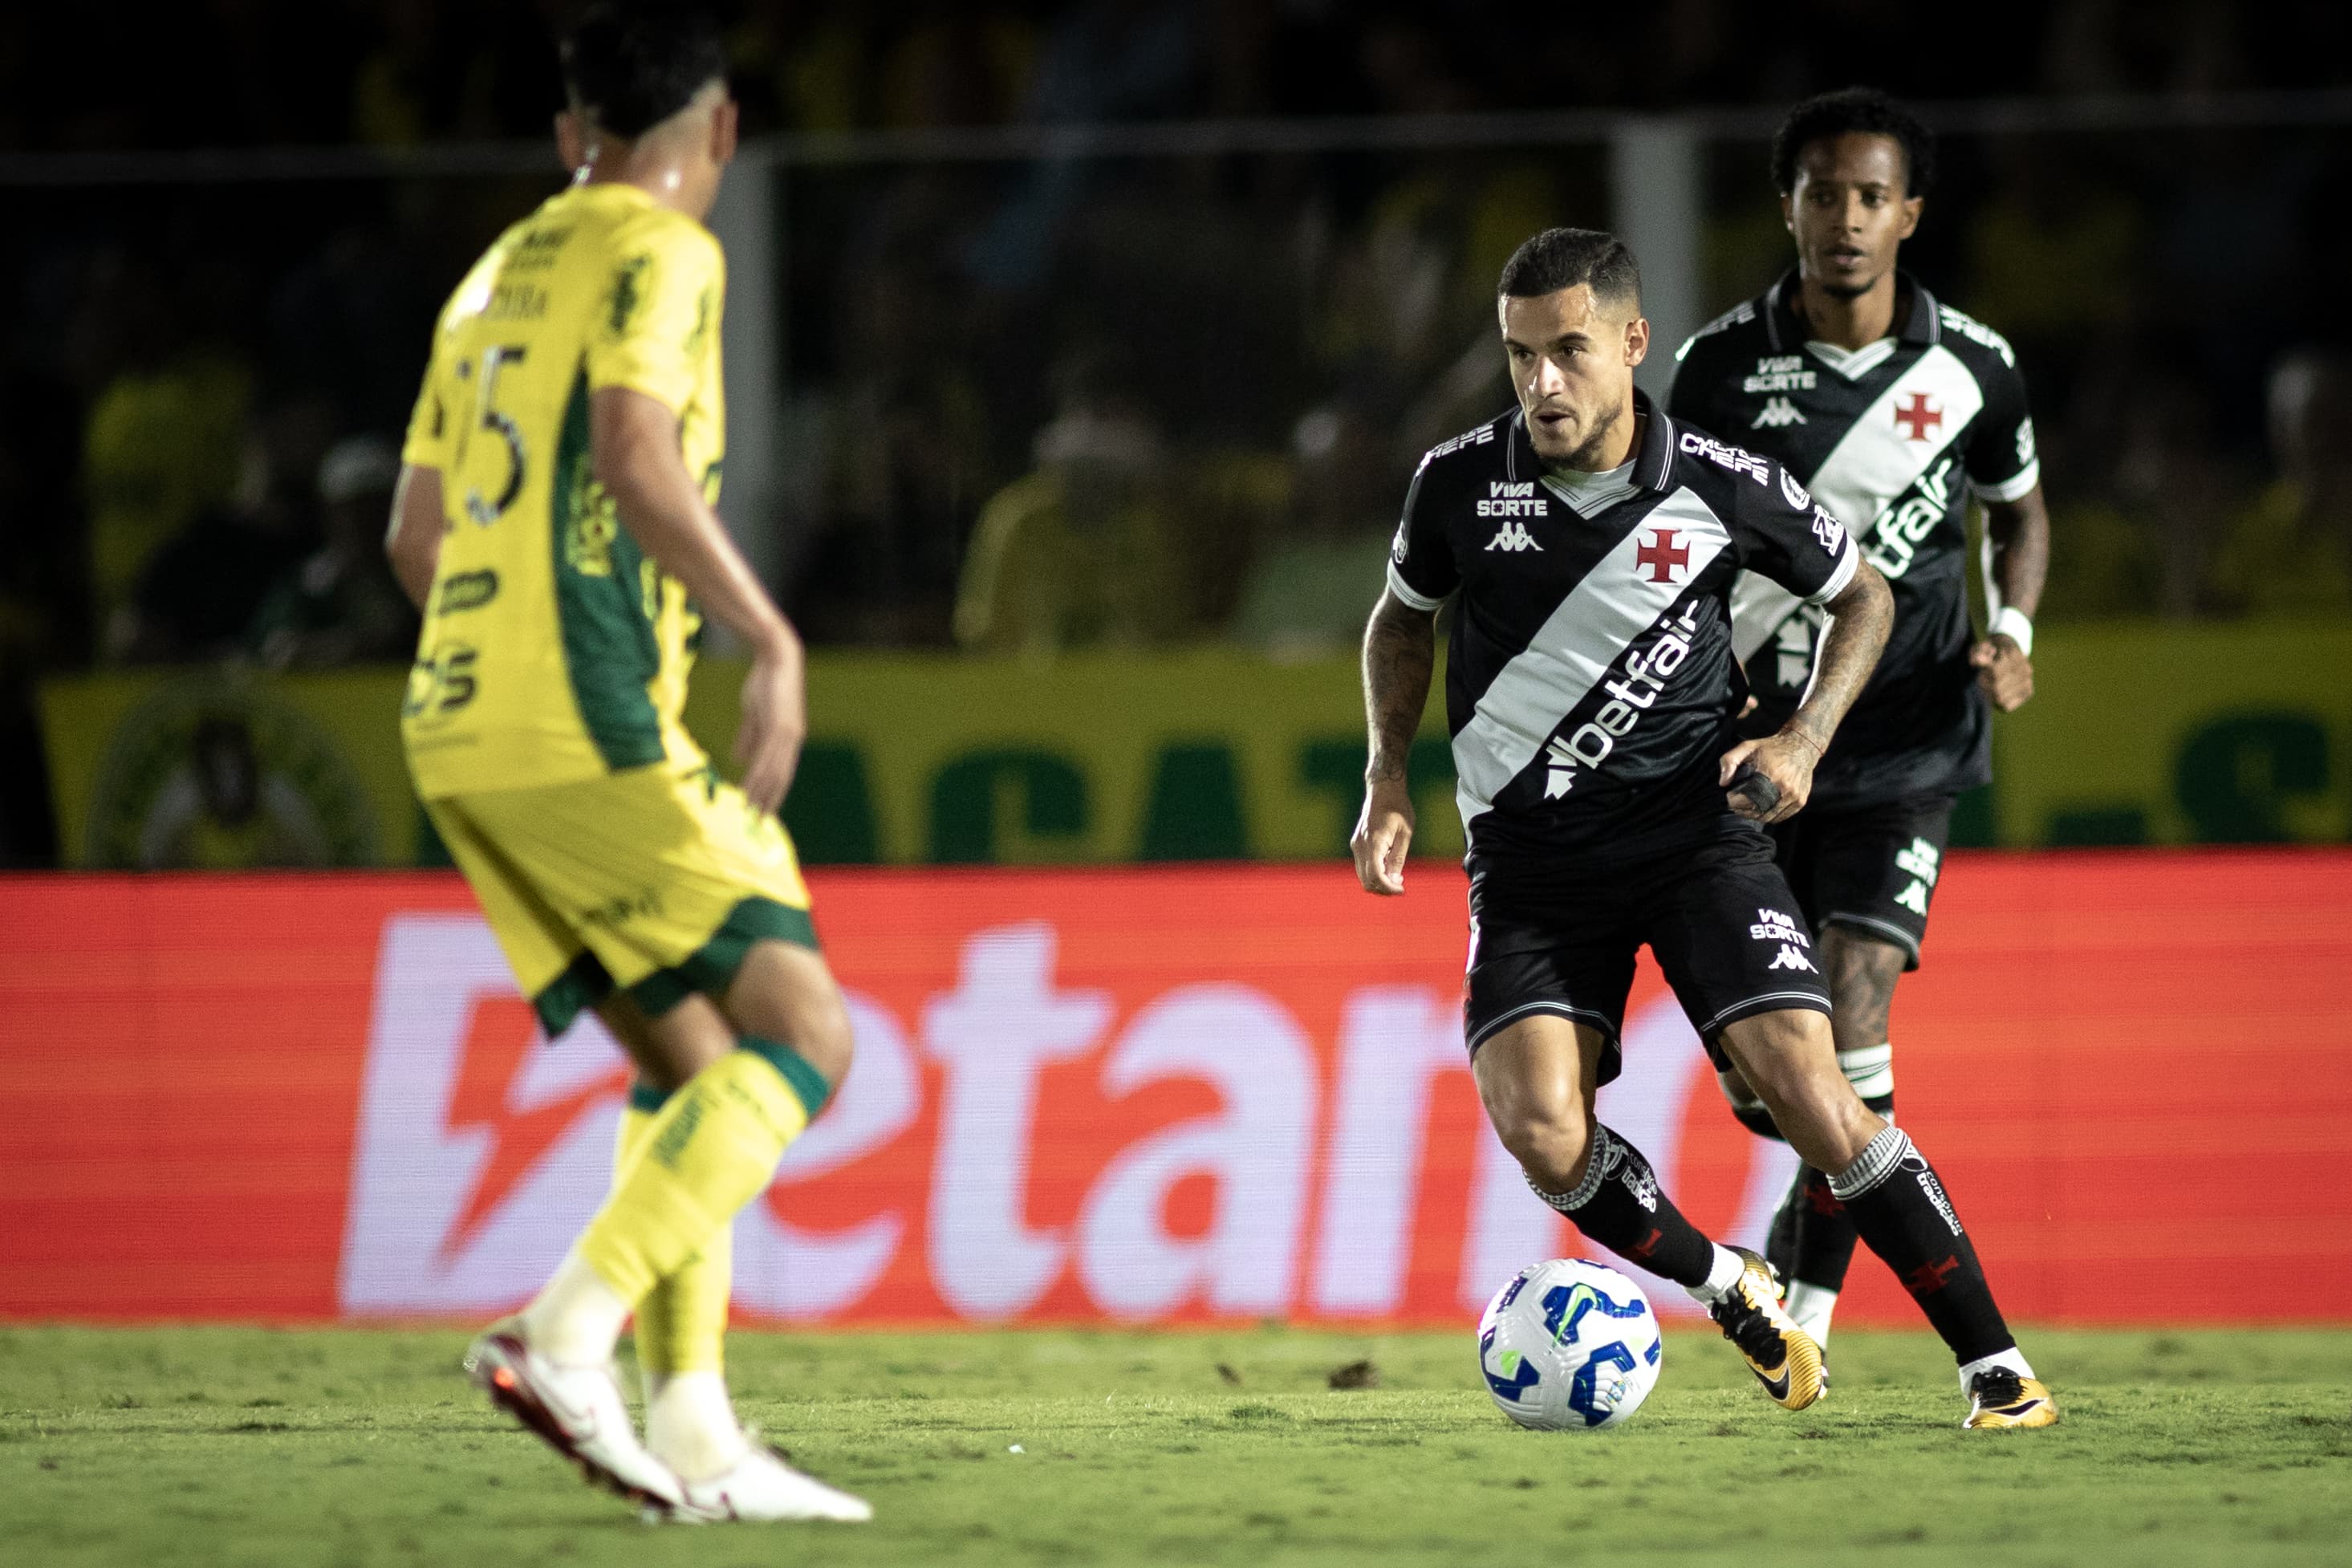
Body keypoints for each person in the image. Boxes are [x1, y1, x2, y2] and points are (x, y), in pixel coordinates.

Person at [1352, 225, 2056, 1429]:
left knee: (1812, 1090)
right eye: (1521, 356)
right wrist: (1385, 775)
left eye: (1570, 350)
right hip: (1530, 869)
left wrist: (1803, 741)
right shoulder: (1458, 482)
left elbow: (1865, 597)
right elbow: (1401, 620)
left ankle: (1995, 1368)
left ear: (1632, 342)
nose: (1544, 383)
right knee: (1540, 1133)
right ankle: (1725, 1280)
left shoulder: (1721, 483)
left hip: (1693, 842)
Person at [384, 3, 868, 1522]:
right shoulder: (666, 250)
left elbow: (413, 536)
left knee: (696, 1061)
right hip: (580, 720)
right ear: (718, 132)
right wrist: (769, 640)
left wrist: (500, 633)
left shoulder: (485, 280)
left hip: (455, 719)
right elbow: (633, 450)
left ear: (566, 133)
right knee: (810, 1030)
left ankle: (702, 1432)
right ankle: (562, 1332)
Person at [1666, 88, 2053, 1367]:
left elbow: (2022, 510)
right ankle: (1807, 1269)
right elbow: (1674, 552)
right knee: (1768, 1064)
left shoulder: (1976, 368)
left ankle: (1809, 1312)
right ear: (1788, 206)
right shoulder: (1716, 370)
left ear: (1911, 213)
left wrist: (2016, 628)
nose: (1846, 220)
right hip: (1762, 742)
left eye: (1871, 196)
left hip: (1905, 741)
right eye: (1822, 193)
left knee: (1853, 1000)